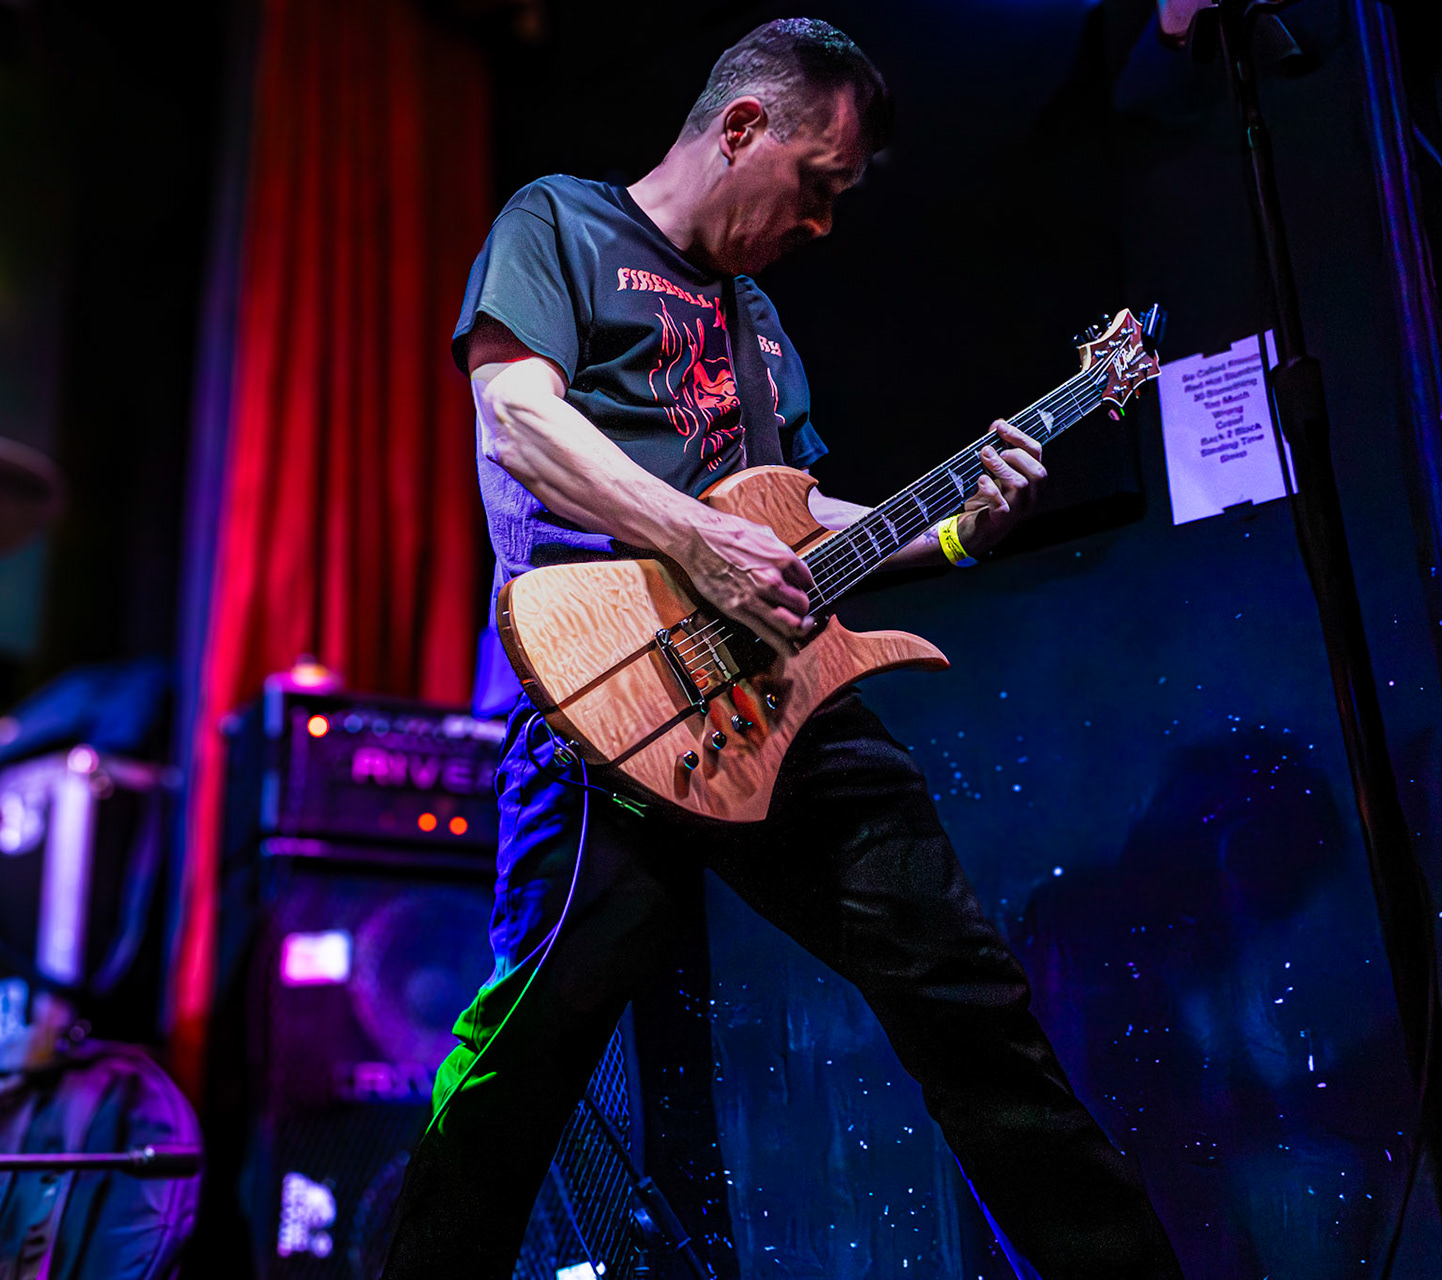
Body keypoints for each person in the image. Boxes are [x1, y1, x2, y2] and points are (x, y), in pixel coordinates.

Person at [380, 18, 1182, 1280]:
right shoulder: (560, 223)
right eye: (817, 184)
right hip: (603, 698)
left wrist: (958, 522)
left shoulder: (760, 327)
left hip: (779, 706)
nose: (821, 223)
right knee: (524, 1055)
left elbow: (798, 527)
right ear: (744, 126)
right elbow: (517, 422)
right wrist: (693, 537)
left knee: (969, 1000)